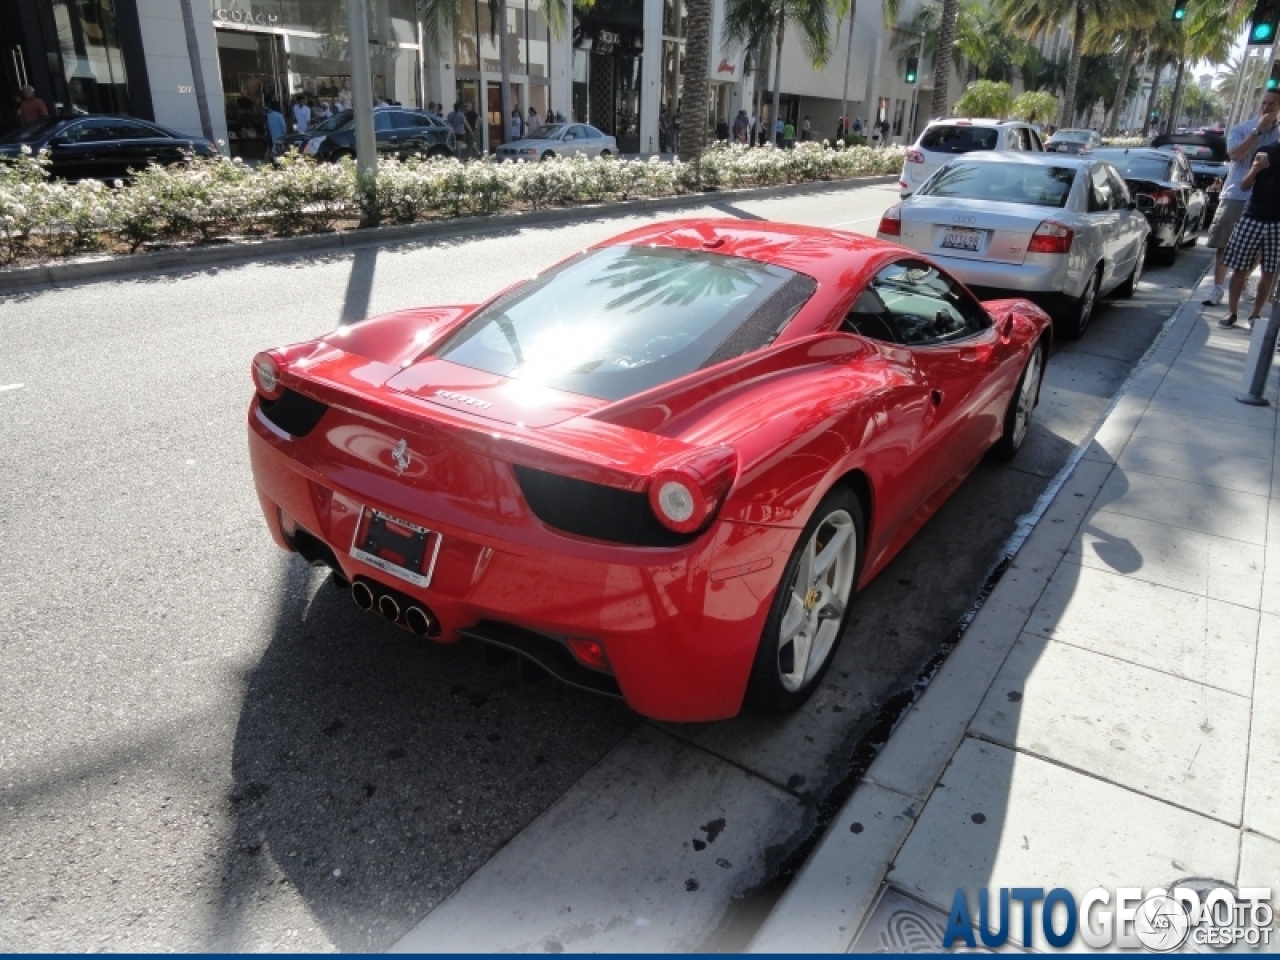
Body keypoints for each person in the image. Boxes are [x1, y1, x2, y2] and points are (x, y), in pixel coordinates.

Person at [1203, 88, 1280, 307]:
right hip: (1236, 194)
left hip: (1263, 200)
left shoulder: (1278, 136)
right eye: (1264, 103)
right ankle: (1217, 288)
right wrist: (1257, 131)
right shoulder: (1243, 129)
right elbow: (1236, 154)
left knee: (1259, 249)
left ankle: (1242, 280)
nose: (1266, 108)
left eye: (1272, 105)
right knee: (1224, 244)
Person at [1219, 136, 1280, 329]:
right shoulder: (1266, 151)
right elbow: (1244, 186)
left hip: (1278, 223)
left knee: (1269, 272)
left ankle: (1255, 315)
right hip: (1253, 217)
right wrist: (1256, 168)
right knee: (1240, 268)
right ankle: (1232, 312)